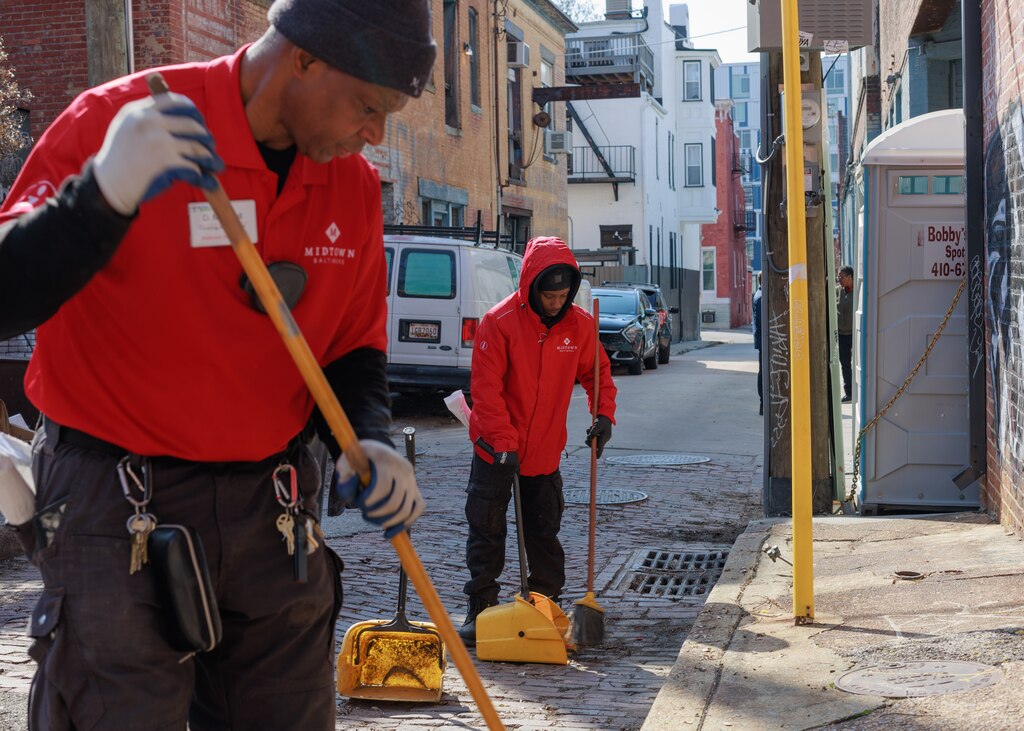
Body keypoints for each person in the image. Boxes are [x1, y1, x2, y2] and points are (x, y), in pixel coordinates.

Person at [0, 1, 435, 728]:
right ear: (303, 59)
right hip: (116, 505)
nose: (375, 136)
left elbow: (350, 349)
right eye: (368, 105)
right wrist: (102, 194)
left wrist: (374, 440)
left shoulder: (351, 183)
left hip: (272, 512)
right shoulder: (120, 122)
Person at [458, 236, 617, 645]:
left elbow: (596, 372)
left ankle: (545, 602)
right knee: (487, 529)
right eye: (549, 296)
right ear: (531, 288)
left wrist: (603, 415)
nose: (555, 303)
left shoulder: (580, 325)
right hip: (495, 449)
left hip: (544, 451)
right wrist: (503, 441)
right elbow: (487, 389)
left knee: (543, 530)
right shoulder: (500, 321)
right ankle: (481, 605)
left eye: (563, 295)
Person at [837, 265, 854, 402]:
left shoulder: (858, 291)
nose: (839, 280)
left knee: (858, 363)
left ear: (850, 277)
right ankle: (849, 392)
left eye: (841, 277)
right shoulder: (839, 292)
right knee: (845, 364)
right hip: (842, 335)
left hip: (854, 333)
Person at [752, 271, 763, 415]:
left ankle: (763, 403)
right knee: (763, 372)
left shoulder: (758, 295)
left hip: (761, 341)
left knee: (763, 371)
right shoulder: (760, 298)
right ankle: (763, 403)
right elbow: (761, 323)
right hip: (763, 341)